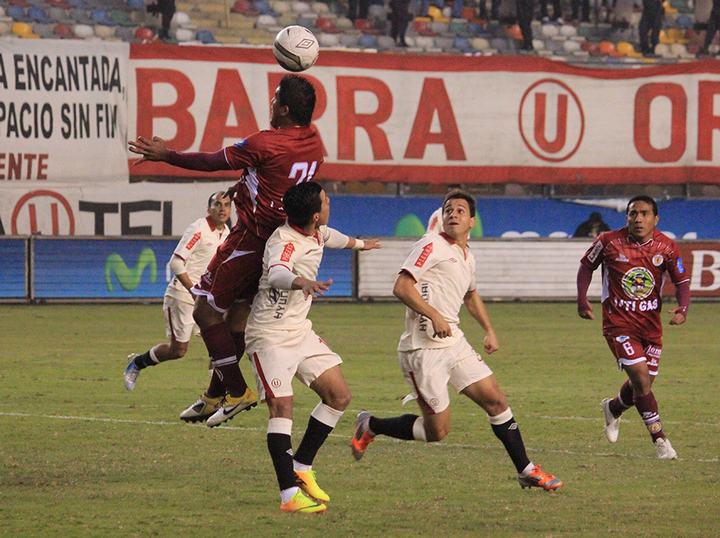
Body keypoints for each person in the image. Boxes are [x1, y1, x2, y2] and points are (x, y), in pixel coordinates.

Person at [128, 75, 324, 427]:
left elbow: (212, 161)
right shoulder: (313, 141)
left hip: (251, 239)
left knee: (204, 312)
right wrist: (247, 182)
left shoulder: (265, 143)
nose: (270, 104)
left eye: (275, 99)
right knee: (235, 320)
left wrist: (166, 155)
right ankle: (212, 395)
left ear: (283, 109)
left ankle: (236, 391)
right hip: (280, 241)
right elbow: (283, 179)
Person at [351, 189, 563, 492]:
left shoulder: (467, 256)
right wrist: (433, 314)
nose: (452, 214)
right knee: (437, 431)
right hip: (422, 350)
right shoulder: (431, 244)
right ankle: (370, 424)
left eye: (460, 210)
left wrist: (489, 329)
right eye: (448, 209)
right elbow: (401, 286)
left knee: (496, 400)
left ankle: (526, 470)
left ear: (472, 221)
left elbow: (471, 295)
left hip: (454, 342)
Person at [246, 182, 380, 513]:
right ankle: (289, 496)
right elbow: (277, 273)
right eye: (325, 200)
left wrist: (360, 244)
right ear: (315, 215)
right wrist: (301, 281)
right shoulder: (283, 242)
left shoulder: (317, 232)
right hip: (269, 335)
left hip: (299, 331)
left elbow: (333, 236)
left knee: (339, 396)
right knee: (282, 407)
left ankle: (302, 466)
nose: (329, 201)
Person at [576, 195, 690, 460]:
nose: (638, 218)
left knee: (643, 383)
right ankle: (660, 440)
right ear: (626, 217)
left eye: (644, 213)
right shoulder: (608, 241)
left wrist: (683, 308)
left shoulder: (667, 247)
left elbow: (682, 281)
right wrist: (582, 300)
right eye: (633, 213)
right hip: (618, 324)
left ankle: (613, 407)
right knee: (640, 379)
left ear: (655, 218)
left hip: (651, 327)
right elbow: (586, 267)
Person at [123, 192, 231, 392]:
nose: (222, 209)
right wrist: (193, 291)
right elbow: (176, 263)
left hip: (207, 300)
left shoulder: (226, 233)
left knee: (220, 345)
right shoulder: (199, 229)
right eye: (217, 204)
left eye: (226, 205)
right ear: (209, 209)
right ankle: (138, 363)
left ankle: (216, 395)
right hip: (182, 296)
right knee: (178, 350)